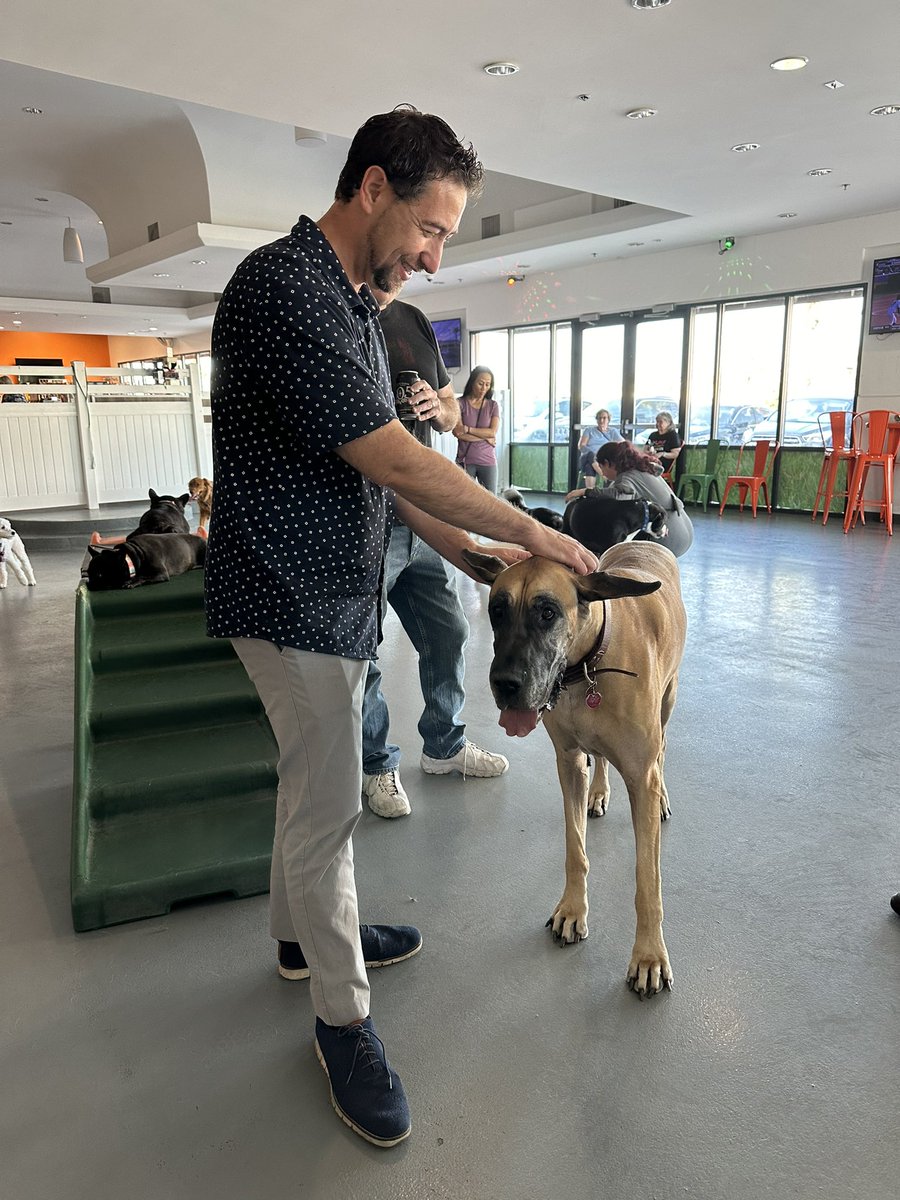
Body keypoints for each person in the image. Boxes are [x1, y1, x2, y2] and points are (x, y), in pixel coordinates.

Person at [204, 106, 598, 1149]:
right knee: (329, 812)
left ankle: (301, 945)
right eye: (432, 229)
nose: (433, 256)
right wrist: (531, 527)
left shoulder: (352, 305)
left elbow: (381, 480)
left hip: (328, 588)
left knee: (309, 788)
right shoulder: (286, 289)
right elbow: (390, 455)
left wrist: (490, 555)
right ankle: (342, 1022)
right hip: (289, 596)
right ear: (373, 190)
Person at [361, 290, 508, 820]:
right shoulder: (338, 316)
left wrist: (437, 406)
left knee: (449, 631)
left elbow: (450, 412)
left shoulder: (412, 320)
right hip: (361, 521)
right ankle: (376, 764)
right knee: (365, 649)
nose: (425, 261)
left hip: (418, 517)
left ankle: (444, 746)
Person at [565, 440, 694, 557]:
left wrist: (586, 491)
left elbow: (619, 495)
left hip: (669, 536)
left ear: (608, 463)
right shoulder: (643, 468)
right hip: (684, 526)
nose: (602, 473)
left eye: (601, 467)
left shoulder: (626, 477)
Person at [453, 366, 499, 491]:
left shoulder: (493, 405)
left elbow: (492, 432)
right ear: (472, 382)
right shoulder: (459, 403)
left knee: (491, 502)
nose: (484, 388)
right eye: (480, 383)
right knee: (464, 500)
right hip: (465, 461)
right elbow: (457, 432)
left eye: (487, 384)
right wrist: (485, 437)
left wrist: (467, 429)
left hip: (487, 461)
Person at [578, 408, 622, 475]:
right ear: (597, 420)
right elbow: (582, 446)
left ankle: (591, 486)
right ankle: (605, 476)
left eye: (604, 418)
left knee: (589, 467)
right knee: (591, 455)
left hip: (603, 459)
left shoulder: (613, 431)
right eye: (599, 418)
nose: (601, 420)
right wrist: (595, 454)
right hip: (588, 456)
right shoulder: (589, 430)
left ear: (608, 420)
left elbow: (623, 444)